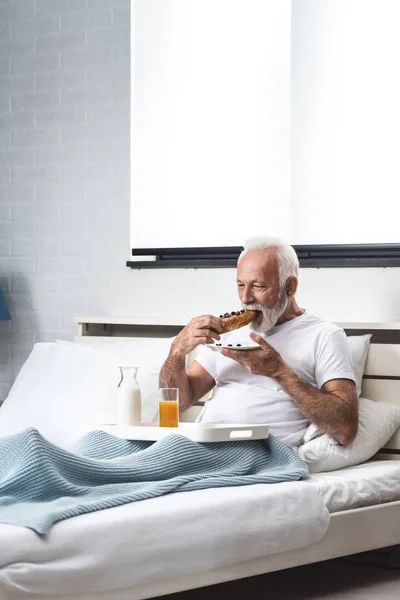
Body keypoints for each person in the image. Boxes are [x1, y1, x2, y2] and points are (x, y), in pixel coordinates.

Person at [159, 236, 358, 449]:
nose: (245, 298)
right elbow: (178, 402)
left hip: (262, 450)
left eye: (258, 286)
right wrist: (177, 351)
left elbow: (345, 429)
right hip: (203, 443)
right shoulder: (227, 333)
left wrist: (280, 372)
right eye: (240, 285)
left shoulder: (324, 335)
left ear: (289, 286)